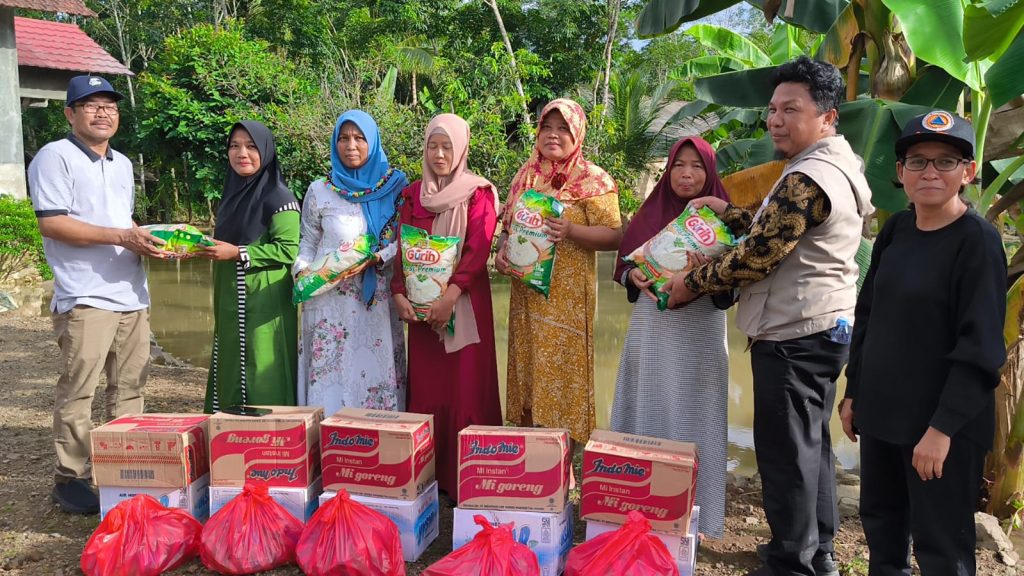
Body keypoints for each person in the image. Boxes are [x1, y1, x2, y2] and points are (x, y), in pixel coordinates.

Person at [664, 56, 873, 576]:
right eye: (773, 109)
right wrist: (728, 212)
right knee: (810, 445)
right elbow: (775, 229)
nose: (775, 119)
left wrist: (690, 283)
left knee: (785, 454)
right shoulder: (835, 166)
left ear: (828, 116)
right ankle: (818, 551)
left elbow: (759, 254)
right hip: (823, 325)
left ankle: (793, 562)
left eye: (791, 109)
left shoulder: (808, 177)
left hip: (794, 332)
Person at [842, 111, 1005, 575]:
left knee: (941, 547)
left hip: (941, 427)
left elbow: (980, 350)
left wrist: (941, 431)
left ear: (967, 172)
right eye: (917, 161)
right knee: (883, 529)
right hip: (884, 415)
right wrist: (855, 392)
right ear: (900, 172)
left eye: (945, 161)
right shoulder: (897, 229)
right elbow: (869, 313)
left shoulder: (978, 242)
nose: (930, 172)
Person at [28, 75, 165, 514]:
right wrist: (122, 237)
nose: (102, 112)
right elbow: (52, 223)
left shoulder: (122, 164)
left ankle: (123, 471)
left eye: (110, 104)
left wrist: (152, 241)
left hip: (131, 292)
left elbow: (119, 221)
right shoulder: (55, 157)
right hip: (85, 296)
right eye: (90, 104)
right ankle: (70, 478)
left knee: (129, 389)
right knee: (79, 390)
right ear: (70, 113)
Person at [610, 136, 731, 538]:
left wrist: (708, 275)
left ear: (709, 173)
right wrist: (634, 274)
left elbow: (735, 288)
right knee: (649, 404)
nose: (687, 174)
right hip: (653, 328)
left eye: (697, 166)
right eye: (679, 165)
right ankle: (640, 509)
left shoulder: (727, 221)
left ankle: (697, 515)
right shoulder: (651, 211)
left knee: (697, 411)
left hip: (700, 330)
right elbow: (624, 263)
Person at [495, 98, 622, 445]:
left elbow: (615, 235)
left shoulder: (594, 181)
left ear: (577, 132)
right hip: (526, 300)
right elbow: (507, 228)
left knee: (563, 375)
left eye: (562, 127)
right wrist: (501, 254)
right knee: (529, 370)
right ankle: (530, 454)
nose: (553, 135)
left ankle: (561, 459)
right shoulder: (526, 176)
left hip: (567, 303)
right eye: (546, 127)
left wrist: (571, 231)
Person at [391, 113, 502, 497]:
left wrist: (451, 296)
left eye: (447, 147)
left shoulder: (478, 194)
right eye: (433, 146)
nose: (439, 155)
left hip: (464, 306)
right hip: (422, 315)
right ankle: (426, 479)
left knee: (466, 387)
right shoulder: (411, 195)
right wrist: (399, 292)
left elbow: (478, 249)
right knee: (427, 390)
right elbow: (403, 252)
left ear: (461, 149)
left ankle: (469, 481)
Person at [294, 110, 408, 416]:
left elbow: (405, 241)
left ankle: (376, 447)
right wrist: (301, 271)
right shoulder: (320, 190)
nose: (351, 145)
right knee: (330, 376)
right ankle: (326, 445)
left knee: (374, 374)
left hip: (375, 303)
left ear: (372, 141)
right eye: (343, 138)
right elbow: (307, 242)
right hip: (327, 304)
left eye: (359, 138)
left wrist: (378, 257)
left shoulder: (396, 187)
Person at [200, 121, 301, 412]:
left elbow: (287, 250)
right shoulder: (232, 196)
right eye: (234, 146)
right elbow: (227, 244)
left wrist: (238, 253)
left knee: (263, 362)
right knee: (230, 356)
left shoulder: (279, 197)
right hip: (229, 294)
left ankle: (270, 439)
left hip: (264, 298)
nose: (241, 153)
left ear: (266, 151)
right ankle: (226, 435)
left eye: (251, 146)